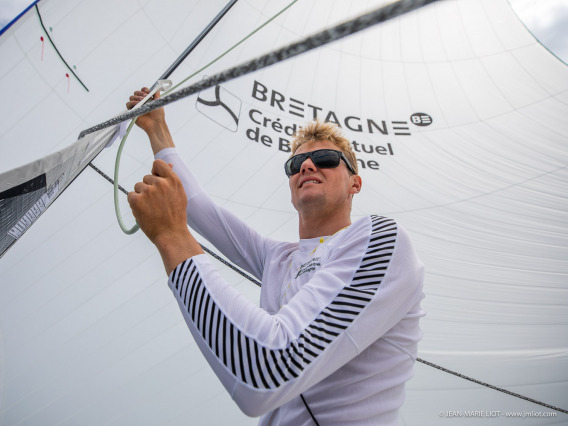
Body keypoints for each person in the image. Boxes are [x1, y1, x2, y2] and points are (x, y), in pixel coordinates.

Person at [126, 87, 425, 425]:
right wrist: (156, 128)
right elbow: (197, 205)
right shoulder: (277, 258)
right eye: (296, 163)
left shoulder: (383, 239)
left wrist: (171, 237)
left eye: (325, 159)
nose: (307, 165)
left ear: (355, 183)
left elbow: (265, 371)